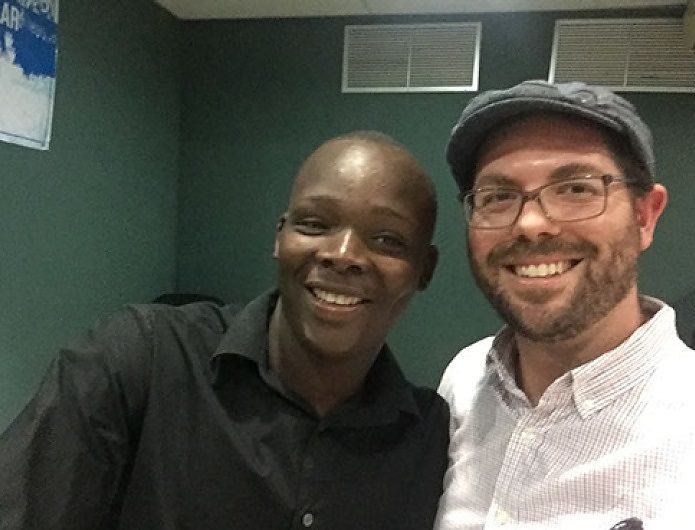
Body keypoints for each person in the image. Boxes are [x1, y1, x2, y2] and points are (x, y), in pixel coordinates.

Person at [0, 132, 448, 529]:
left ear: (423, 270)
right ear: (280, 237)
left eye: (387, 239)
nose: (343, 254)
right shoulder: (136, 361)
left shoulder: (427, 437)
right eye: (314, 224)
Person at [433, 80, 695, 529]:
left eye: (576, 189)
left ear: (644, 216)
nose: (532, 224)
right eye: (498, 197)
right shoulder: (464, 380)